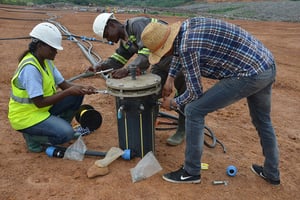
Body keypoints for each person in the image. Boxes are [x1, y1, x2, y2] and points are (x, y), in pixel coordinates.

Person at [141, 17, 280, 185]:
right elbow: (177, 51)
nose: (164, 56)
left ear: (166, 45)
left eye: (163, 52)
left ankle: (191, 171)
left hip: (248, 74)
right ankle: (272, 172)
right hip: (266, 65)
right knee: (262, 120)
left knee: (193, 110)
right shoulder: (186, 27)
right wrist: (170, 78)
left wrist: (173, 103)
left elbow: (194, 92)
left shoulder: (187, 48)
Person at [91, 13, 186, 146]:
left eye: (107, 35)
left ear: (111, 25)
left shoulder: (137, 24)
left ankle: (182, 129)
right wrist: (101, 66)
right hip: (159, 61)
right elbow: (119, 58)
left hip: (177, 59)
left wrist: (127, 69)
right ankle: (148, 127)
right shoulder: (125, 40)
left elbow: (146, 52)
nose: (109, 40)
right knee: (152, 93)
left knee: (184, 95)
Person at [8, 22, 97, 153]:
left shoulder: (46, 61)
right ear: (40, 46)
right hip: (26, 117)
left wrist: (82, 88)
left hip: (42, 111)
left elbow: (65, 85)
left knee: (76, 94)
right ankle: (34, 138)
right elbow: (39, 103)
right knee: (66, 134)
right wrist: (68, 92)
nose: (56, 52)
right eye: (53, 48)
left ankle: (56, 127)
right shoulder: (30, 68)